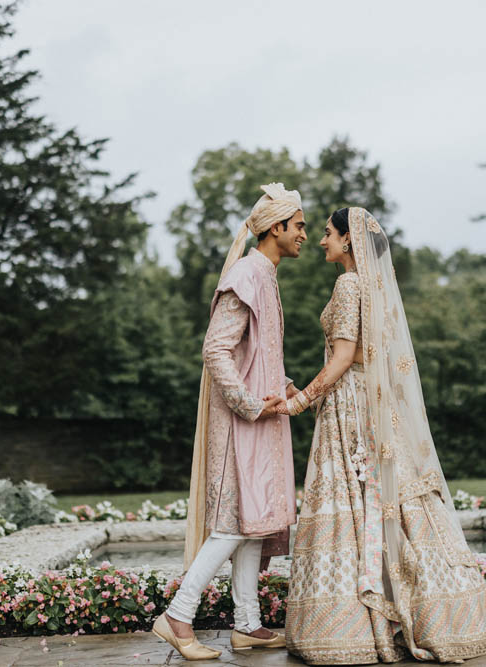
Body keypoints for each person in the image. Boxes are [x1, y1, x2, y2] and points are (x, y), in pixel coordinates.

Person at [280, 207, 486, 664]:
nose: (321, 241)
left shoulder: (347, 284)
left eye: (327, 234)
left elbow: (343, 358)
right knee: (389, 501)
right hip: (371, 405)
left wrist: (299, 401)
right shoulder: (375, 289)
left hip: (350, 408)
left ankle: (350, 627)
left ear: (348, 240)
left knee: (356, 504)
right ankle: (442, 610)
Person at [152, 183, 307, 660]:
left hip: (261, 422)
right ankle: (177, 616)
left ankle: (247, 624)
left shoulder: (266, 275)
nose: (303, 234)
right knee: (232, 525)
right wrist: (249, 404)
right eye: (299, 226)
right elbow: (215, 350)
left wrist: (282, 387)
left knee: (252, 521)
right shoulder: (245, 273)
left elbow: (257, 355)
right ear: (276, 227)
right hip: (240, 426)